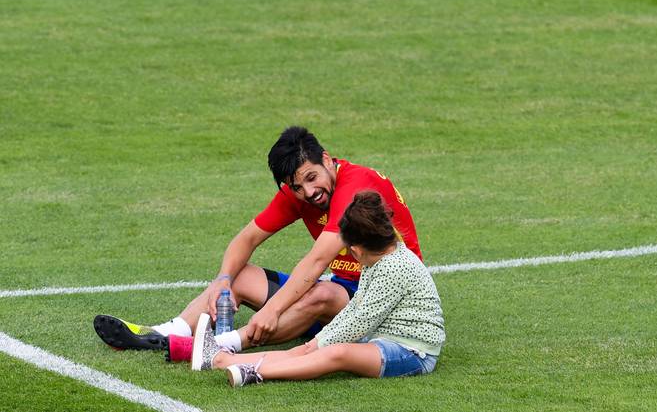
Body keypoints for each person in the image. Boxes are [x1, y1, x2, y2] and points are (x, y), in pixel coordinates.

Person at [93, 126, 423, 361]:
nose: (309, 192)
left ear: (326, 158)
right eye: (297, 186)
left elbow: (318, 260)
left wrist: (273, 310)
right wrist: (223, 281)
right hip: (343, 290)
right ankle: (166, 333)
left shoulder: (356, 186)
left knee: (322, 292)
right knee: (241, 274)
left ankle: (222, 346)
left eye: (312, 178)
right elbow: (247, 238)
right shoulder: (301, 191)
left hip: (383, 303)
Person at [191, 190, 445, 386]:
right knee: (308, 349)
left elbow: (361, 320)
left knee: (337, 353)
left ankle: (256, 371)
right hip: (384, 339)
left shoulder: (393, 267)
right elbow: (355, 309)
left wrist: (321, 342)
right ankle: (221, 359)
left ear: (356, 250)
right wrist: (316, 342)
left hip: (413, 353)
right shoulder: (379, 259)